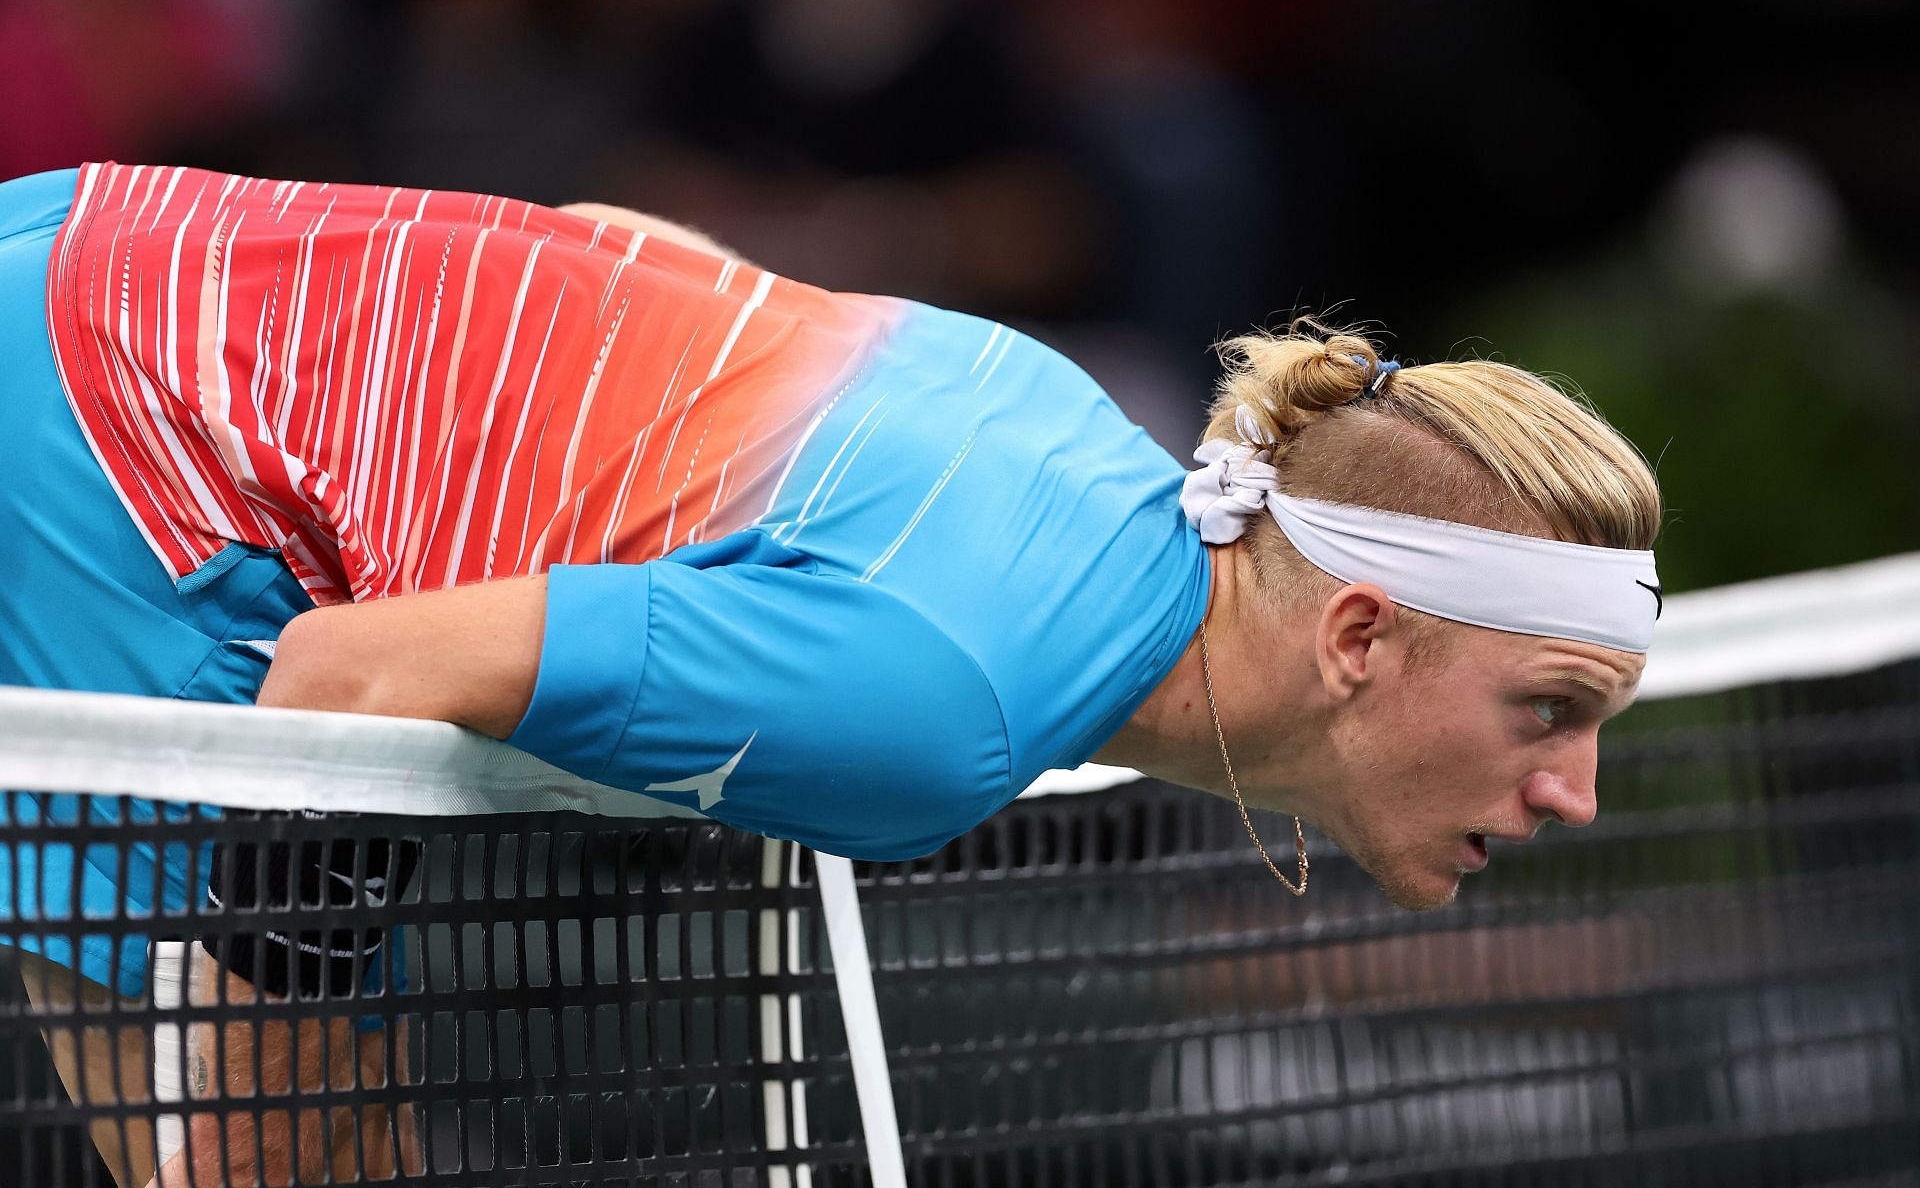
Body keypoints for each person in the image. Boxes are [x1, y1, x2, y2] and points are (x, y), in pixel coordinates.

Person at [0, 161, 1660, 1184]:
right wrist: (287, 1053)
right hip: (115, 435)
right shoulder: (953, 709)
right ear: (1358, 633)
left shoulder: (1067, 430)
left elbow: (618, 242)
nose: (1573, 793)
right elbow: (347, 682)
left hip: (125, 256)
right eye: (1551, 709)